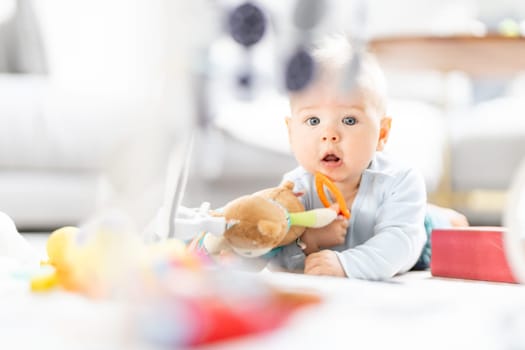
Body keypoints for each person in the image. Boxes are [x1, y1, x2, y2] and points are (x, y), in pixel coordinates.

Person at [270, 34, 468, 280]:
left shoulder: (400, 180)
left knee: (441, 233)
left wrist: (346, 264)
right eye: (313, 121)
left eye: (349, 120)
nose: (329, 134)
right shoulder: (294, 189)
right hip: (385, 223)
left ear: (382, 133)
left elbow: (400, 245)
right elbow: (276, 245)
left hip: (418, 238)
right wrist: (309, 242)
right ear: (291, 132)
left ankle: (442, 217)